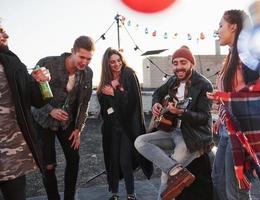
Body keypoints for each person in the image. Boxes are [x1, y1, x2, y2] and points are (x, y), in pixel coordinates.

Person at [207, 9, 260, 200]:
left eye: (221, 25)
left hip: (242, 133)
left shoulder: (250, 56)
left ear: (233, 27)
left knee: (236, 189)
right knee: (218, 178)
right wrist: (221, 114)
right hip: (228, 130)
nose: (218, 30)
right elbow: (231, 93)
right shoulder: (230, 58)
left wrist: (226, 98)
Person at [135, 45, 214, 200]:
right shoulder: (172, 81)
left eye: (183, 62)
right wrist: (156, 103)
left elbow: (204, 118)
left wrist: (181, 113)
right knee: (140, 142)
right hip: (171, 130)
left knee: (166, 177)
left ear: (192, 64)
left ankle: (171, 173)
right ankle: (176, 170)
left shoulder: (204, 85)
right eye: (175, 63)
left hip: (192, 137)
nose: (179, 67)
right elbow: (158, 93)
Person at [31, 35, 95, 200]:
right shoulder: (47, 63)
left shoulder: (88, 73)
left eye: (89, 59)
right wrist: (50, 110)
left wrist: (78, 129)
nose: (85, 62)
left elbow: (85, 102)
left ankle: (69, 198)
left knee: (74, 159)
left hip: (67, 123)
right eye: (81, 57)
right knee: (49, 166)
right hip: (42, 121)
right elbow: (30, 94)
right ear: (72, 51)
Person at [0, 22, 50, 200]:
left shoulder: (13, 62)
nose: (6, 36)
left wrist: (42, 82)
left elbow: (36, 99)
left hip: (12, 153)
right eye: (0, 32)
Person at [97, 47, 153, 200]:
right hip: (111, 128)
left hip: (128, 128)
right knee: (113, 161)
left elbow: (132, 100)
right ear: (107, 64)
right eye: (112, 62)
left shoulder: (129, 74)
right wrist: (106, 93)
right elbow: (103, 105)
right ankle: (114, 194)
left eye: (118, 61)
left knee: (125, 161)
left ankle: (130, 194)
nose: (116, 64)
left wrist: (114, 92)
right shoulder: (105, 80)